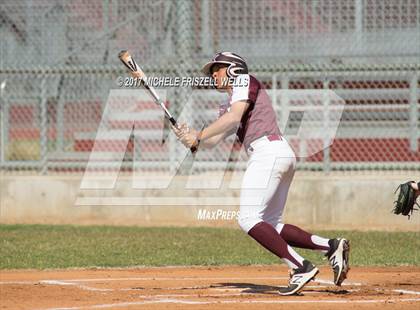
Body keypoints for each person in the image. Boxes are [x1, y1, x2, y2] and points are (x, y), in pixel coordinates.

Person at [173, 52, 350, 295]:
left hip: (268, 153)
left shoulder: (243, 81)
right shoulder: (228, 102)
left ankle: (300, 266)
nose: (213, 74)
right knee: (270, 224)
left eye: (218, 68)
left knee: (248, 219)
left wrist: (199, 135)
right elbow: (213, 141)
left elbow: (233, 118)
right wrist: (191, 137)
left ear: (234, 68)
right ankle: (330, 246)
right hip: (276, 153)